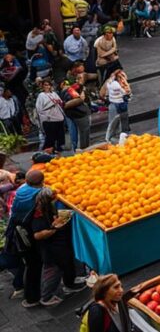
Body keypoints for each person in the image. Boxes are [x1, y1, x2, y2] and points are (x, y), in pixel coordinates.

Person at [30, 187, 84, 305]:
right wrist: (54, 228)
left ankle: (70, 284)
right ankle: (46, 297)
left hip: (60, 245)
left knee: (65, 265)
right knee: (52, 271)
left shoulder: (48, 208)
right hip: (51, 249)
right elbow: (38, 235)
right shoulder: (38, 214)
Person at [8, 169, 44, 307]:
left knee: (28, 263)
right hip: (26, 233)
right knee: (33, 264)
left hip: (16, 230)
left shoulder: (22, 189)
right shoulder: (38, 194)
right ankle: (32, 298)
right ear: (41, 182)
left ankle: (26, 291)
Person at [35, 79, 66, 153]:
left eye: (48, 85)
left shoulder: (54, 94)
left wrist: (59, 102)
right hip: (49, 119)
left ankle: (59, 149)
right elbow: (39, 109)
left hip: (58, 117)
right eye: (45, 85)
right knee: (50, 137)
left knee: (60, 135)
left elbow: (60, 102)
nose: (47, 86)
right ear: (42, 86)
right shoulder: (41, 95)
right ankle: (47, 151)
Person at [102, 69, 131, 143]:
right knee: (114, 123)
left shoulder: (117, 82)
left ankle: (123, 136)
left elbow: (128, 93)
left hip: (121, 103)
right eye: (120, 75)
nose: (122, 76)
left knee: (123, 121)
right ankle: (111, 139)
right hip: (115, 104)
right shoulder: (114, 83)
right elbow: (125, 92)